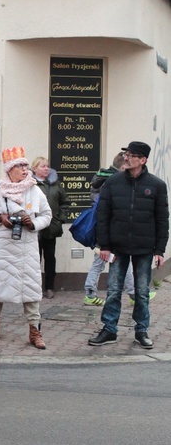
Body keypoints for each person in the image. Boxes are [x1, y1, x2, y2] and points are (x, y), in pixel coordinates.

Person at [88, 141, 169, 349]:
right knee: (113, 290)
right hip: (117, 246)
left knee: (142, 292)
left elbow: (162, 219)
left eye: (132, 155)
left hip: (144, 247)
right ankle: (109, 329)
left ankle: (141, 330)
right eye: (126, 154)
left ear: (142, 160)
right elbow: (103, 216)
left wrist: (160, 250)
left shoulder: (157, 185)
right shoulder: (113, 183)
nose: (127, 157)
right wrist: (104, 245)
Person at [0, 147, 51, 349]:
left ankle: (35, 331)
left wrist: (33, 224)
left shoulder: (35, 190)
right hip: (2, 247)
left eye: (25, 165)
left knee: (30, 288)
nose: (24, 169)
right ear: (9, 170)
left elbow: (47, 215)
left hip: (26, 247)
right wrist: (0, 218)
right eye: (19, 165)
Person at [83, 153, 138, 306]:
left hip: (106, 229)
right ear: (122, 167)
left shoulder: (102, 179)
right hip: (107, 229)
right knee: (103, 261)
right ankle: (89, 292)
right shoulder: (111, 182)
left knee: (114, 260)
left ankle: (133, 293)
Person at [31, 156, 69, 299]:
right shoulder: (30, 184)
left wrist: (60, 219)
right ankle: (35, 288)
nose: (46, 168)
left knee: (50, 258)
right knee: (34, 259)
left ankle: (49, 287)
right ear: (35, 169)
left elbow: (65, 202)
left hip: (50, 227)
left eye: (47, 166)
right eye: (42, 166)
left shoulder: (55, 184)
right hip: (33, 227)